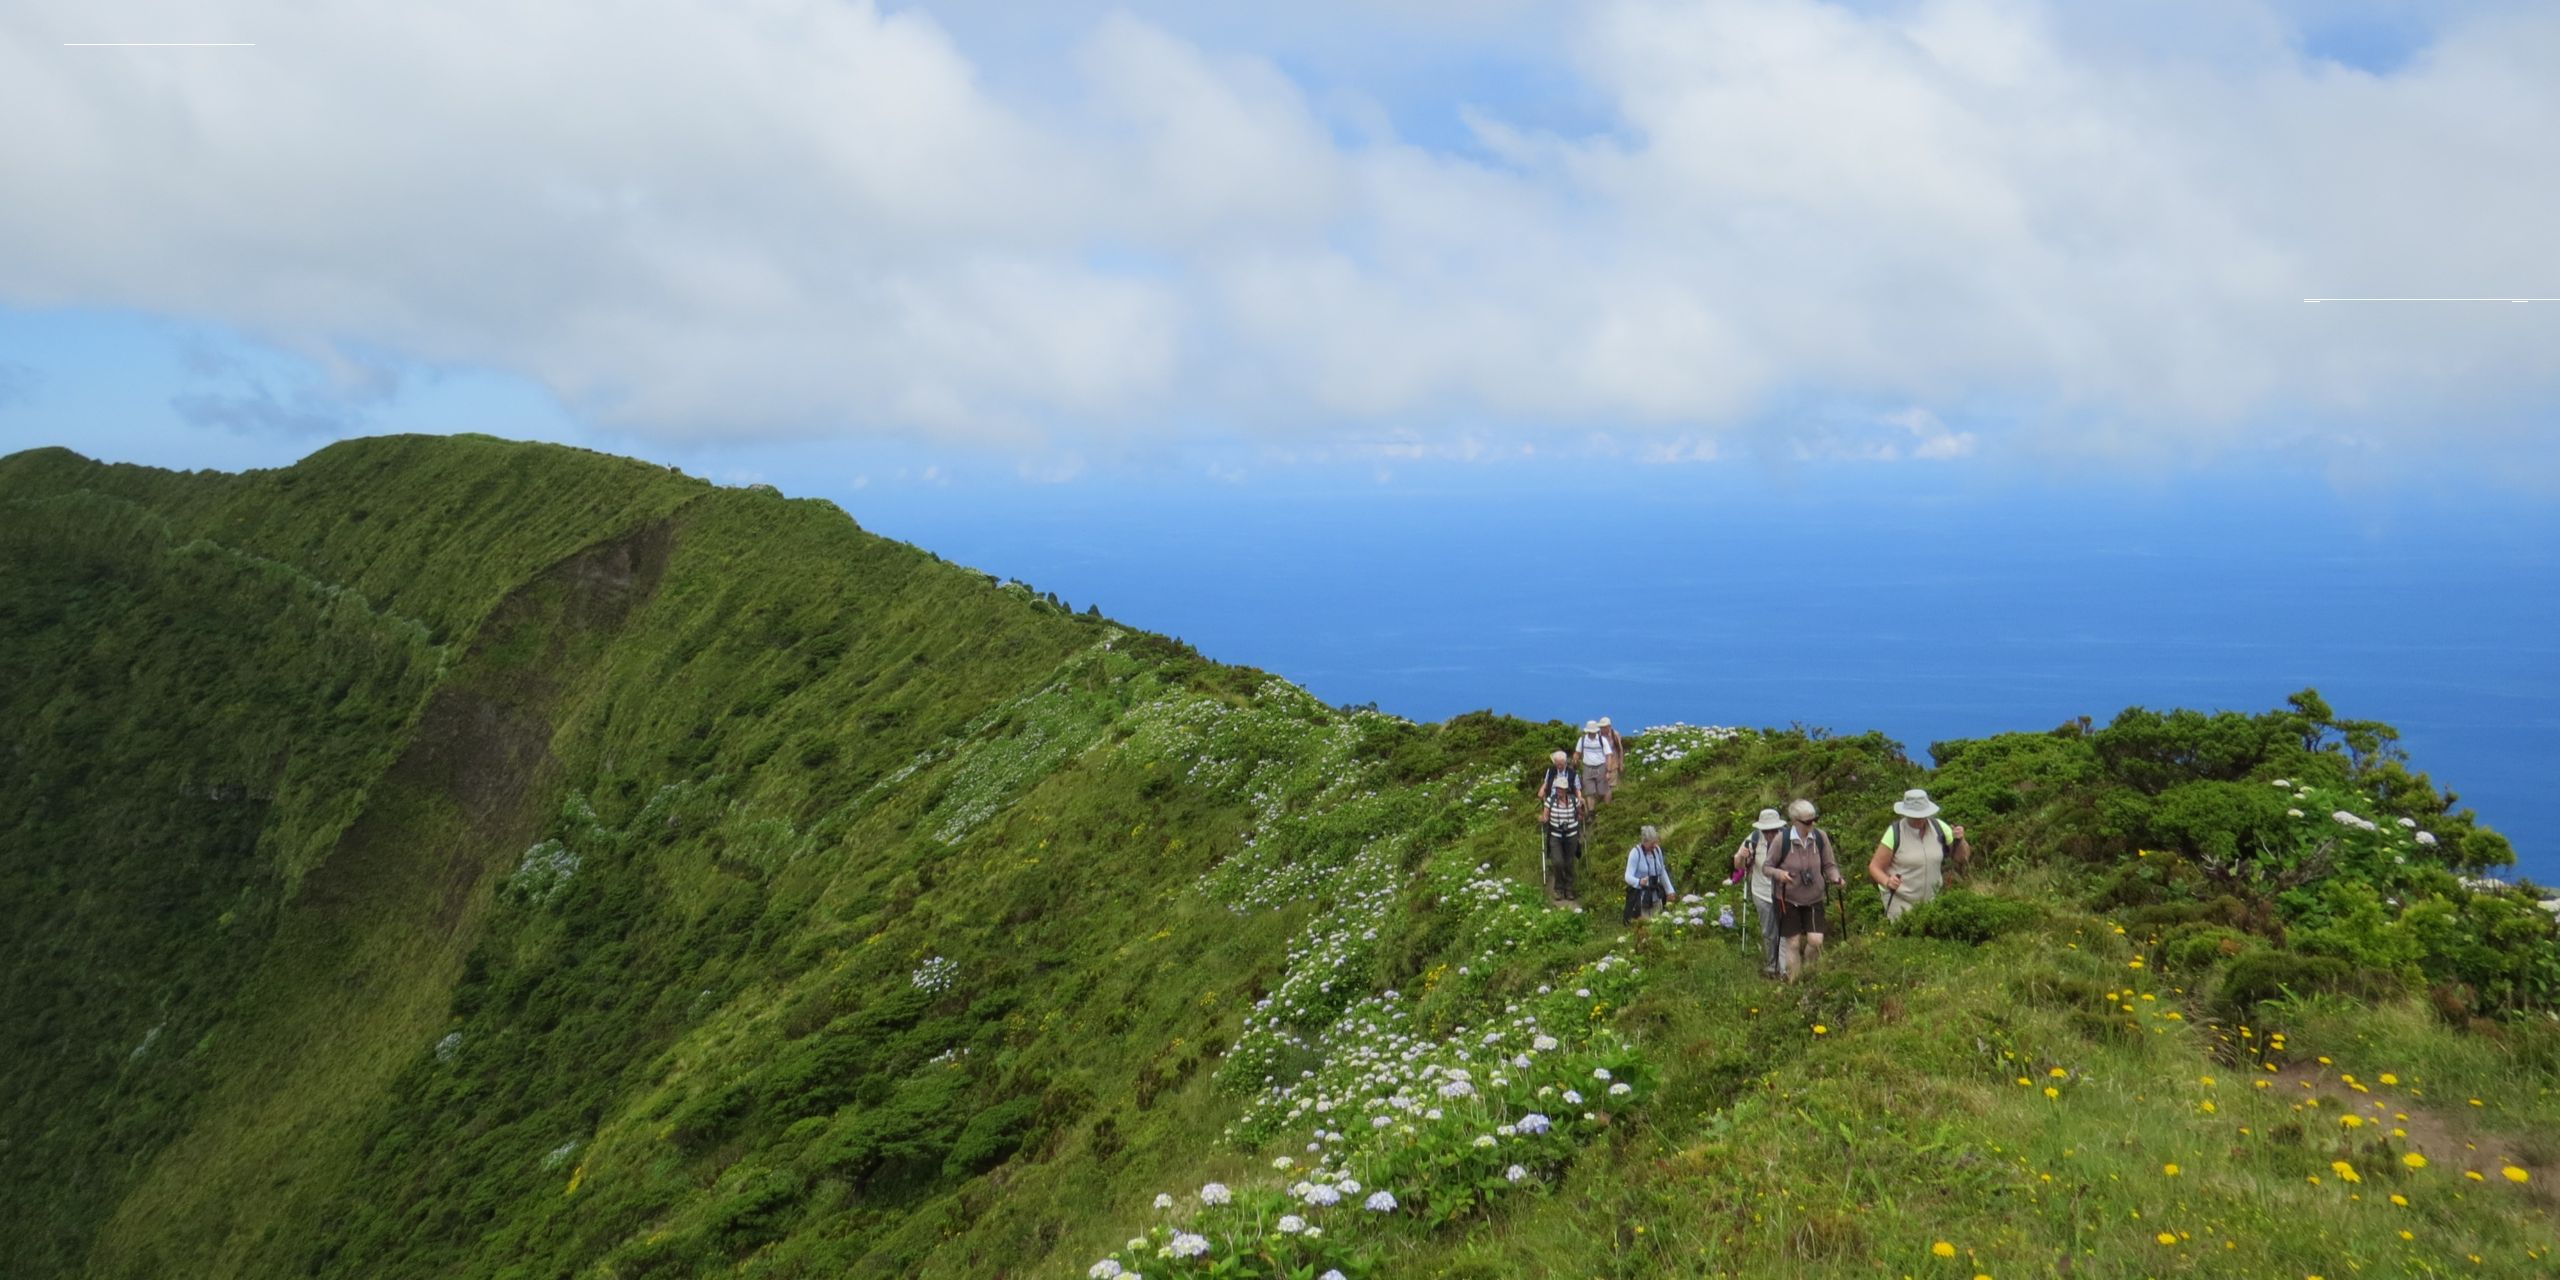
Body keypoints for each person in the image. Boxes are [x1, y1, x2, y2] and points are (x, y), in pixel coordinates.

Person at [1759, 799, 1843, 981]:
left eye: (1815, 819)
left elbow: (1829, 864)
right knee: (1793, 942)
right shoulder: (1782, 840)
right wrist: (1780, 874)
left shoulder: (1820, 837)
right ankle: (1793, 982)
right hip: (1787, 898)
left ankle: (1809, 971)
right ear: (1795, 821)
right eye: (1807, 822)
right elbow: (1767, 867)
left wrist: (1836, 877)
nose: (1812, 824)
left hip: (1814, 897)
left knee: (1816, 941)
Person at [1870, 787, 1969, 921]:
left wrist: (1961, 840)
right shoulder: (1894, 833)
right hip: (1900, 901)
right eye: (1913, 816)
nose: (1918, 820)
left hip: (1932, 900)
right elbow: (1874, 867)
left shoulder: (1940, 828)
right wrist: (1887, 881)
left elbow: (1961, 857)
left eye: (1922, 815)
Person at [1731, 807, 1789, 977]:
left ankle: (1784, 969)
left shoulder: (1788, 839)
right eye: (1766, 830)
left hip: (1784, 893)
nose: (1770, 833)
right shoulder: (1753, 839)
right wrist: (1742, 856)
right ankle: (1772, 965)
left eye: (1773, 830)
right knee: (1769, 931)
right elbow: (1739, 866)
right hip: (1761, 892)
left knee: (1785, 930)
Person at [1535, 750, 1588, 906]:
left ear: (1566, 789)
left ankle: (1569, 888)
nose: (1559, 791)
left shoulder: (1572, 799)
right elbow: (1545, 815)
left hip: (1571, 834)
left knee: (1569, 862)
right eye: (1557, 788)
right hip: (1556, 834)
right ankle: (1559, 888)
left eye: (1561, 789)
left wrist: (1581, 811)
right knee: (1558, 862)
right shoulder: (1550, 800)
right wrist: (1543, 819)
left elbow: (1580, 814)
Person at [1622, 825, 1674, 923]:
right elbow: (1627, 876)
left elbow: (1662, 871)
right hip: (1642, 897)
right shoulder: (1635, 853)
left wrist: (1669, 890)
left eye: (1656, 842)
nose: (1654, 846)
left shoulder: (1657, 850)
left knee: (1658, 923)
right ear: (1644, 841)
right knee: (1644, 925)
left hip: (1656, 895)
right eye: (1652, 843)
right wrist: (1639, 881)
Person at [1577, 720, 1612, 805]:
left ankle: (1607, 808)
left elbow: (1608, 755)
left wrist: (1608, 771)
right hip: (1587, 767)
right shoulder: (1582, 740)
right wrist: (1575, 759)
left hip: (1600, 766)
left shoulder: (1602, 740)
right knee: (1589, 791)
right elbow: (1577, 752)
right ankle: (1591, 813)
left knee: (1603, 790)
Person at [1598, 716, 1625, 792]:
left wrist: (1621, 763)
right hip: (1601, 765)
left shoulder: (1615, 734)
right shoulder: (1598, 736)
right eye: (1601, 727)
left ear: (1609, 727)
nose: (1602, 729)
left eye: (1604, 727)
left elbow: (1620, 749)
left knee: (1612, 786)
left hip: (1613, 764)